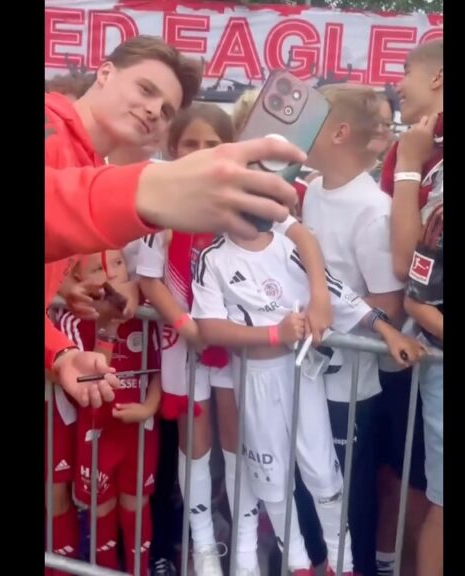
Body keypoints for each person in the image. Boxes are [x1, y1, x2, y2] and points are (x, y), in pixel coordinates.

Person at [44, 36, 307, 408]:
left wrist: (60, 353)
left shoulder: (84, 161)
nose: (154, 110)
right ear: (105, 72)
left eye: (167, 110)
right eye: (145, 89)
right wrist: (146, 192)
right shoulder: (50, 125)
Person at [136, 102, 333, 576]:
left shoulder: (245, 193)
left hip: (238, 346)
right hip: (185, 343)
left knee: (241, 441)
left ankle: (244, 545)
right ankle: (204, 548)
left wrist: (321, 295)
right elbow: (149, 279)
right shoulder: (159, 199)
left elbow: (298, 233)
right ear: (172, 148)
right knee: (194, 445)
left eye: (212, 144)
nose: (201, 152)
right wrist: (186, 326)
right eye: (190, 144)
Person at [190, 211, 424, 576]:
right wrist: (273, 335)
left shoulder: (289, 249)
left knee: (322, 472)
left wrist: (389, 332)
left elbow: (339, 294)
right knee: (273, 476)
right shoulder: (213, 259)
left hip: (300, 375)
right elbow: (209, 327)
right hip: (254, 379)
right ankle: (297, 564)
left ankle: (341, 563)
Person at [300, 84, 409, 576]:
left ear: (339, 132)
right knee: (309, 493)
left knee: (349, 505)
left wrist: (329, 309)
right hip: (306, 377)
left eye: (310, 118)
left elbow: (389, 309)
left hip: (350, 388)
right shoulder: (314, 191)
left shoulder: (375, 210)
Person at [48, 249, 164, 573]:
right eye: (98, 269)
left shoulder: (145, 315)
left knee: (137, 505)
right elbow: (89, 386)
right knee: (101, 509)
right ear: (78, 282)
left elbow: (160, 370)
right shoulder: (72, 320)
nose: (112, 275)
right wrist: (106, 328)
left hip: (139, 432)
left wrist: (149, 408)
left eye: (116, 264)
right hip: (96, 432)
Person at [383, 40, 443, 576]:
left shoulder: (419, 153)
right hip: (414, 346)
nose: (397, 84)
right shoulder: (425, 146)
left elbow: (404, 264)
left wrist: (406, 165)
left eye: (405, 71)